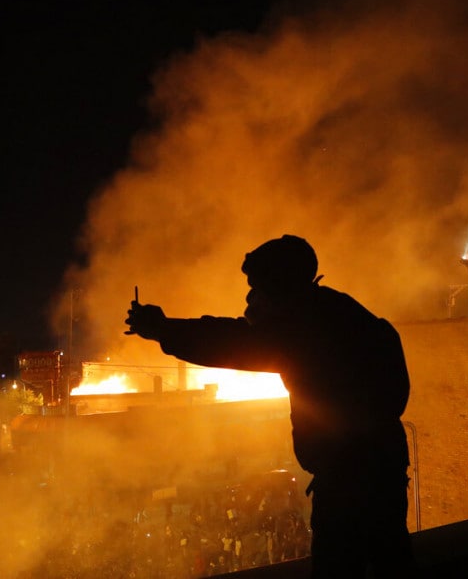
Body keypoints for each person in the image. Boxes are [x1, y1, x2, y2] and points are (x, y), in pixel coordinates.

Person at [125, 234, 414, 578]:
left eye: (257, 287)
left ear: (280, 286)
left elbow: (234, 341)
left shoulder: (306, 328)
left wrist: (162, 329)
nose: (250, 297)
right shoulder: (344, 314)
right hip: (385, 473)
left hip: (348, 485)